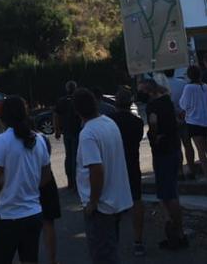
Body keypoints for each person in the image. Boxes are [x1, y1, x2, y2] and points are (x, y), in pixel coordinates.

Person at [0, 95, 53, 264]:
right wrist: (31, 187)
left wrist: (3, 196)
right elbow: (47, 174)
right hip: (33, 212)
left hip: (8, 215)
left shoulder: (3, 140)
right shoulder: (39, 139)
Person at [73, 88, 133, 264]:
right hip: (116, 199)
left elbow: (96, 170)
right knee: (111, 249)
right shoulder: (109, 122)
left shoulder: (87, 134)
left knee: (103, 255)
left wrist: (93, 201)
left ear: (77, 111)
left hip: (101, 205)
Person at [140, 81, 187, 250]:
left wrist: (153, 135)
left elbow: (153, 123)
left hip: (162, 152)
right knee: (170, 191)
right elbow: (177, 119)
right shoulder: (167, 100)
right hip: (174, 148)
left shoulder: (152, 106)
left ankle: (177, 232)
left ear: (149, 91)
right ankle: (176, 230)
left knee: (168, 194)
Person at [109, 87, 146, 256]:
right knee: (136, 200)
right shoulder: (137, 122)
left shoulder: (110, 122)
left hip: (115, 165)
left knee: (113, 203)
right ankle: (138, 240)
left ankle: (113, 240)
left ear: (115, 103)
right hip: (132, 164)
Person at [179, 66, 207, 181]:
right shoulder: (205, 86)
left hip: (194, 121)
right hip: (206, 120)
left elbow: (183, 104)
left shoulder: (188, 87)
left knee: (200, 150)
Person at [166, 68, 197, 179]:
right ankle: (191, 168)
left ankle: (179, 171)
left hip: (172, 118)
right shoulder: (183, 83)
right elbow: (188, 100)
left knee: (177, 146)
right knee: (188, 144)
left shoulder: (163, 85)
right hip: (185, 116)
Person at [52, 81, 80, 191]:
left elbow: (56, 115)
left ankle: (70, 182)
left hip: (66, 132)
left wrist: (57, 130)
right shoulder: (78, 100)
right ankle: (76, 182)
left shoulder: (61, 101)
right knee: (76, 157)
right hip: (77, 131)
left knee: (68, 157)